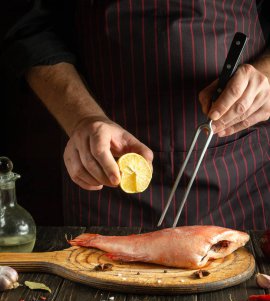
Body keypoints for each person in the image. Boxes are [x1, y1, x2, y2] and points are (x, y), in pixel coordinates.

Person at [1, 0, 269, 229]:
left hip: (238, 171)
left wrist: (266, 75)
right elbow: (28, 25)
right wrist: (83, 118)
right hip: (105, 161)